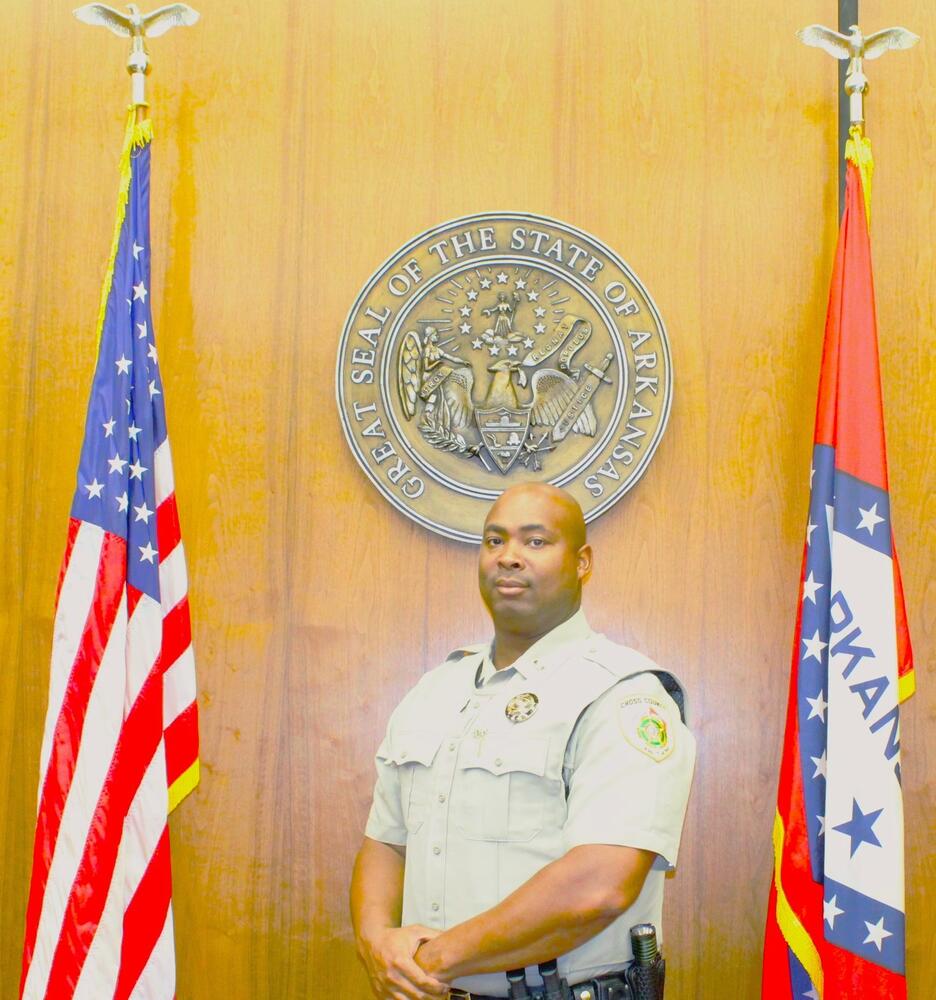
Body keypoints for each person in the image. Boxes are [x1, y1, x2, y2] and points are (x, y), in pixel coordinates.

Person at [350, 483, 695, 999]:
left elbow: (599, 884)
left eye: (535, 542)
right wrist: (377, 944)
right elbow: (385, 843)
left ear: (582, 562)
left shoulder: (622, 695)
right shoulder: (436, 690)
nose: (509, 557)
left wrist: (435, 959)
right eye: (495, 541)